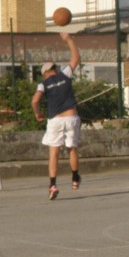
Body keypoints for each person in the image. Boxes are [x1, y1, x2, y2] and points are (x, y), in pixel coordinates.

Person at [31, 32, 81, 200]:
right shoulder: (65, 74)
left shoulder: (43, 84)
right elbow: (76, 58)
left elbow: (35, 101)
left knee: (54, 152)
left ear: (44, 73)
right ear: (54, 69)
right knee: (72, 148)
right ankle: (75, 178)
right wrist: (68, 39)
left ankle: (52, 185)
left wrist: (38, 114)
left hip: (55, 119)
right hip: (71, 117)